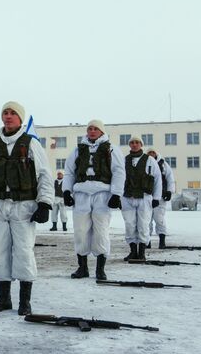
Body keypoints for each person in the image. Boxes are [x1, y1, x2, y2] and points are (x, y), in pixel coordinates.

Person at [0, 101, 53, 316]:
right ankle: (4, 298)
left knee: (24, 252)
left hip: (23, 207)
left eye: (12, 113)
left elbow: (45, 175)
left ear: (20, 118)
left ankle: (24, 301)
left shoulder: (31, 144)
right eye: (5, 113)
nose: (8, 117)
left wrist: (45, 203)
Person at [63, 119, 125, 281]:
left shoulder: (111, 150)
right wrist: (67, 191)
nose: (92, 131)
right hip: (81, 194)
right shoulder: (78, 150)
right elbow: (69, 172)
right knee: (80, 231)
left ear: (102, 131)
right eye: (89, 128)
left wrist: (116, 194)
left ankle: (100, 268)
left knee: (101, 230)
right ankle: (82, 267)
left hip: (102, 195)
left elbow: (119, 172)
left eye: (95, 129)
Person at [121, 137, 162, 261]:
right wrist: (117, 196)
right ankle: (133, 251)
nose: (134, 145)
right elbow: (118, 178)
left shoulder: (150, 160)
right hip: (127, 197)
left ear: (141, 144)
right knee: (129, 224)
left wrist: (156, 197)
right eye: (132, 143)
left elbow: (157, 179)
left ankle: (142, 252)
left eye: (137, 142)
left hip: (144, 197)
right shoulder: (124, 160)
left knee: (143, 224)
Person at [147, 148, 175, 249]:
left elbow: (170, 178)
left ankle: (162, 241)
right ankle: (147, 242)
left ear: (156, 154)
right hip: (147, 196)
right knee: (146, 220)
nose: (151, 154)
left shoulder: (163, 165)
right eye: (149, 152)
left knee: (159, 218)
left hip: (161, 197)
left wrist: (169, 191)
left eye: (153, 152)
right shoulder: (144, 163)